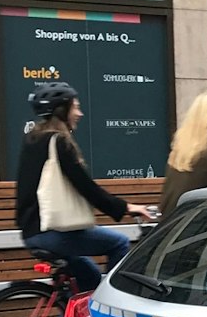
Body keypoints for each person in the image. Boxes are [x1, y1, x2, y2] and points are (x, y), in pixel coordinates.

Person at [15, 82, 153, 293]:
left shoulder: (32, 140)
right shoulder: (59, 142)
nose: (79, 114)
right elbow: (87, 188)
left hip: (31, 233)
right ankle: (113, 303)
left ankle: (68, 315)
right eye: (75, 107)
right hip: (52, 233)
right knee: (119, 243)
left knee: (90, 277)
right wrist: (126, 207)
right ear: (62, 111)